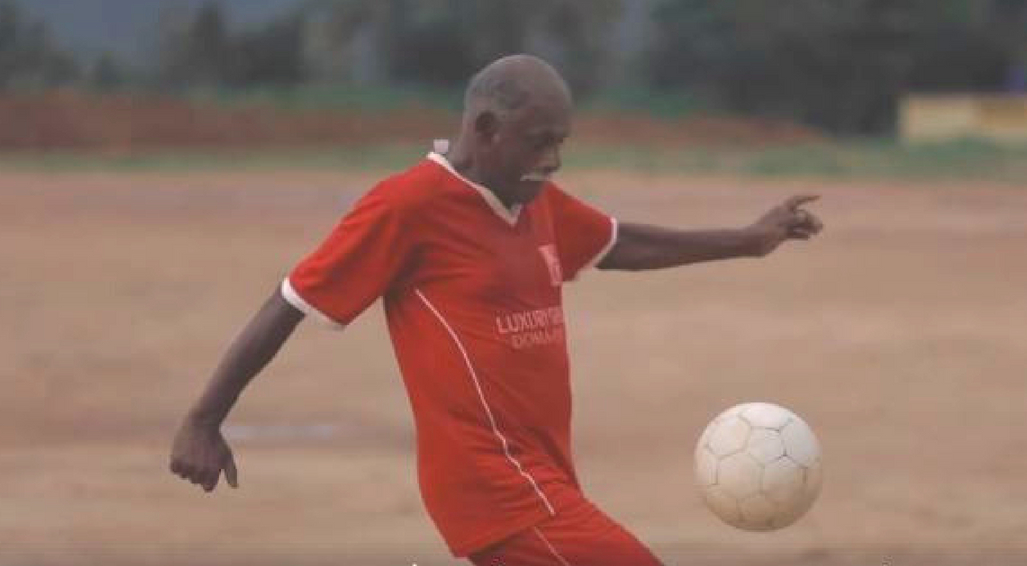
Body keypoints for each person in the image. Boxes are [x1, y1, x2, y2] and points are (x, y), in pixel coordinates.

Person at [169, 55, 823, 566]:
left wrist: (747, 240)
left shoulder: (532, 197)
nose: (554, 160)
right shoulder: (408, 206)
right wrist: (204, 419)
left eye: (561, 142)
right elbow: (291, 300)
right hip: (495, 489)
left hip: (546, 478)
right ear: (485, 129)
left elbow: (619, 242)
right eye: (540, 142)